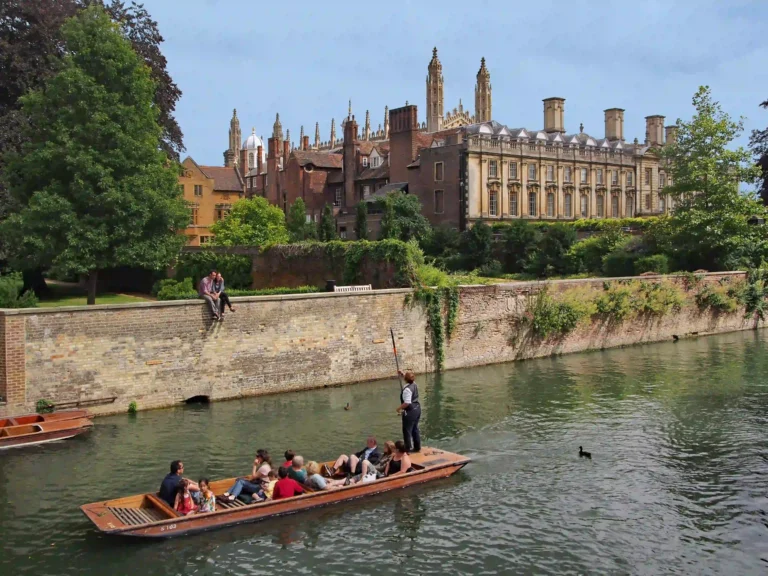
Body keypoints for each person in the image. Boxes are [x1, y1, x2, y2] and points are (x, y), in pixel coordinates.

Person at [397, 370, 421, 453]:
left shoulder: (407, 389)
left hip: (410, 411)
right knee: (415, 428)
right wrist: (402, 374)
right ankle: (417, 447)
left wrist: (398, 408)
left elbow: (407, 402)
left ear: (406, 379)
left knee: (407, 430)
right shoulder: (414, 384)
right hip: (417, 408)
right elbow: (410, 379)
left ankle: (407, 449)